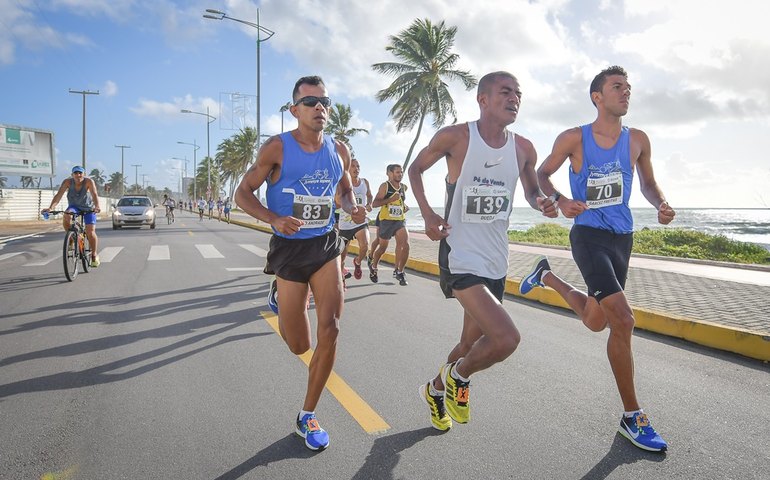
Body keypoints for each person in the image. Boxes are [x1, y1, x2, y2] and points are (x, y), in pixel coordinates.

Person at [523, 65, 675, 452]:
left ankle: (547, 278)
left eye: (628, 87)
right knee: (622, 320)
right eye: (617, 87)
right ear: (597, 96)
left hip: (622, 238)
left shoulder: (637, 139)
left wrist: (660, 203)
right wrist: (560, 200)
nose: (626, 92)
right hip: (588, 236)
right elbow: (543, 174)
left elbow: (647, 183)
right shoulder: (574, 137)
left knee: (595, 320)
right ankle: (632, 416)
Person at [408, 71, 557, 431]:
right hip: (460, 255)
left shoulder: (523, 148)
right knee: (506, 339)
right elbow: (416, 169)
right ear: (483, 99)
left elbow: (532, 191)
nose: (514, 99)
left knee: (468, 343)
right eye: (506, 92)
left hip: (496, 258)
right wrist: (428, 214)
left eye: (518, 94)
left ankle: (435, 389)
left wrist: (545, 203)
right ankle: (459, 379)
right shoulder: (457, 137)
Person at [234, 75, 364, 451]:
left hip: (325, 245)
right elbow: (243, 193)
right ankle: (278, 289)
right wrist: (273, 219)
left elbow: (343, 189)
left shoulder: (339, 150)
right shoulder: (277, 148)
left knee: (332, 327)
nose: (320, 107)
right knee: (298, 344)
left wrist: (351, 205)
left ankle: (307, 415)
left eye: (324, 101)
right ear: (295, 110)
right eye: (310, 102)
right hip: (288, 249)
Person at [42, 165, 103, 267]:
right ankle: (71, 237)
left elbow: (94, 194)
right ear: (72, 175)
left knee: (90, 232)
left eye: (80, 173)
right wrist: (51, 208)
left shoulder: (88, 182)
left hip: (89, 208)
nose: (78, 175)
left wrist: (97, 206)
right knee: (66, 215)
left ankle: (94, 254)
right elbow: (58, 195)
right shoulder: (67, 182)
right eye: (76, 173)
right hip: (74, 207)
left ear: (84, 174)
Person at [369, 164, 410, 286]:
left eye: (401, 172)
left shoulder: (403, 187)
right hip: (386, 221)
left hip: (399, 220)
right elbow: (375, 204)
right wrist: (390, 200)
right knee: (382, 249)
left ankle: (399, 271)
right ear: (390, 173)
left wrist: (403, 206)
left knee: (405, 245)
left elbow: (400, 201)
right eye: (397, 172)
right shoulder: (385, 186)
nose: (400, 174)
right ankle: (374, 266)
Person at [338, 158, 373, 287]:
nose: (356, 168)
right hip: (345, 224)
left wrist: (369, 204)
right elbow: (337, 201)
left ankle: (357, 262)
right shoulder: (342, 184)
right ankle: (341, 278)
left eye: (358, 166)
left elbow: (370, 195)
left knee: (365, 245)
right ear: (347, 169)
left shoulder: (365, 182)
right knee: (341, 256)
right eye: (353, 166)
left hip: (360, 222)